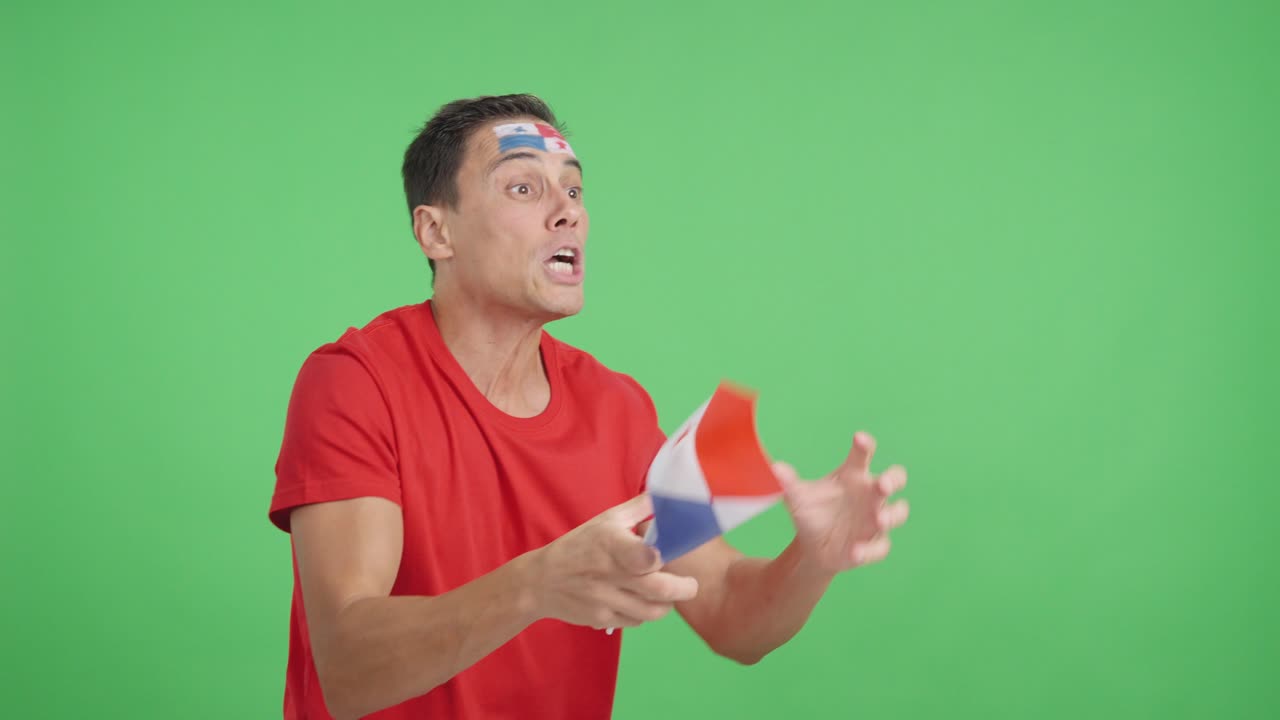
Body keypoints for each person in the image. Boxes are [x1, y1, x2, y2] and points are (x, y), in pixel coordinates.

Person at [268, 94, 910, 720]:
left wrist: (811, 560)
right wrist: (537, 583)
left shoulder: (615, 407)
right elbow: (347, 667)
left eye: (573, 190)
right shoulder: (354, 382)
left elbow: (728, 613)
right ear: (436, 231)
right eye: (523, 188)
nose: (567, 212)